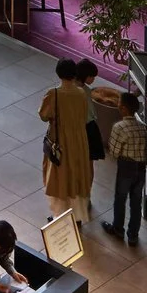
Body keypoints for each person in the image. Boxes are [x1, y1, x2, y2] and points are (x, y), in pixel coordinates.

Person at [38, 59, 95, 225]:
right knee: (76, 176)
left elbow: (43, 115)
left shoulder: (53, 93)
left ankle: (60, 215)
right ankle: (76, 215)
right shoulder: (81, 93)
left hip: (61, 140)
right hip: (79, 139)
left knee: (60, 178)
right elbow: (84, 115)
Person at [104, 96, 147, 242]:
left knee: (120, 198)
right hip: (141, 168)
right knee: (136, 202)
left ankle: (118, 228)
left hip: (126, 167)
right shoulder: (143, 127)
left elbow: (114, 151)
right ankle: (133, 235)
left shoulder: (119, 127)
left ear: (124, 108)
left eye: (119, 104)